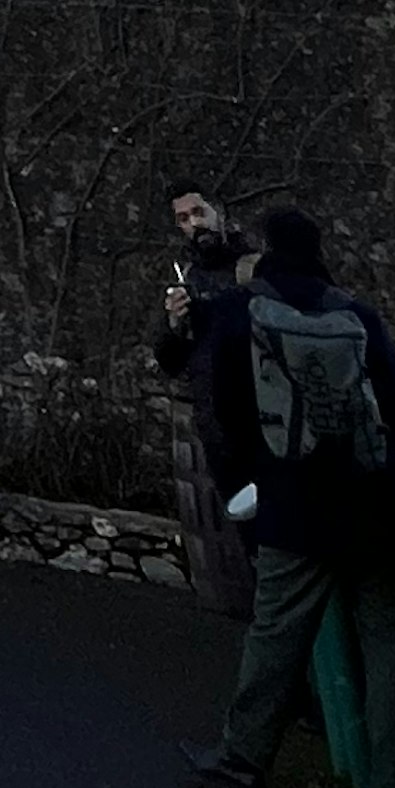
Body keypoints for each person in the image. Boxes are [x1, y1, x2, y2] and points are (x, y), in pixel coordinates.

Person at [181, 202, 395, 788]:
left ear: (264, 250)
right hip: (377, 506)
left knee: (276, 634)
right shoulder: (356, 314)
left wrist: (268, 474)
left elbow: (228, 410)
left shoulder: (244, 310)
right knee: (389, 651)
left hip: (295, 503)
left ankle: (241, 762)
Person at [152, 194, 253, 617]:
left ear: (220, 213)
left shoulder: (251, 267)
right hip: (217, 422)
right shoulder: (187, 277)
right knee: (247, 532)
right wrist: (175, 324)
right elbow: (169, 360)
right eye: (183, 219)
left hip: (261, 416)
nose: (194, 223)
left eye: (200, 213)